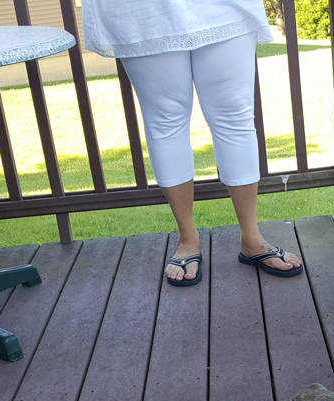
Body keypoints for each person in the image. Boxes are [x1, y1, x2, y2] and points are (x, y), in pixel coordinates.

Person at [83, 0, 303, 286]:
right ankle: (188, 238)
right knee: (165, 121)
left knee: (234, 115)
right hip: (141, 9)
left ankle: (252, 238)